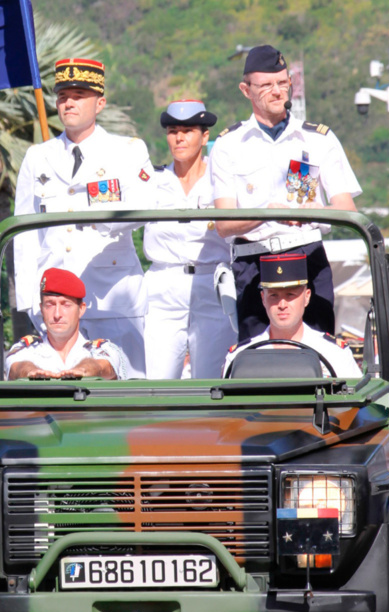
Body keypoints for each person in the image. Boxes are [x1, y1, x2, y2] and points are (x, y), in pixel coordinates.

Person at [13, 58, 156, 378]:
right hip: (56, 302)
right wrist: (31, 300)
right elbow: (24, 234)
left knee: (125, 385)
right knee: (59, 391)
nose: (69, 103)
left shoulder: (127, 150)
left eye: (79, 96)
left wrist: (96, 215)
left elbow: (148, 204)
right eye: (63, 96)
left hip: (112, 296)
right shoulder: (39, 156)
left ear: (99, 103)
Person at [210, 44, 361, 340]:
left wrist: (315, 213)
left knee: (318, 350)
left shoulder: (319, 139)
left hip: (306, 254)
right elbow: (224, 224)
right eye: (266, 85)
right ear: (246, 90)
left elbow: (347, 210)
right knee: (256, 353)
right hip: (253, 261)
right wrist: (267, 214)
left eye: (282, 83)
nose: (277, 91)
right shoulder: (229, 145)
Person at [143, 99, 235, 378]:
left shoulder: (221, 181)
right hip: (163, 285)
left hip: (212, 283)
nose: (179, 138)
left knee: (212, 381)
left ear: (205, 137)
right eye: (172, 131)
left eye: (188, 131)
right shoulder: (152, 181)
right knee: (157, 381)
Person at [223, 253, 361, 378]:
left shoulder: (334, 354)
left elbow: (357, 397)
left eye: (290, 295)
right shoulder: (241, 357)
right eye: (274, 295)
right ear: (263, 298)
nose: (282, 304)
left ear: (307, 297)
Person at [5, 267, 126, 380]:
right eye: (50, 305)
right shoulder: (26, 349)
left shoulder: (101, 349)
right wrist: (31, 372)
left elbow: (103, 366)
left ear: (81, 309)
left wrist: (83, 370)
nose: (57, 314)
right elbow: (16, 368)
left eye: (66, 305)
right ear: (41, 309)